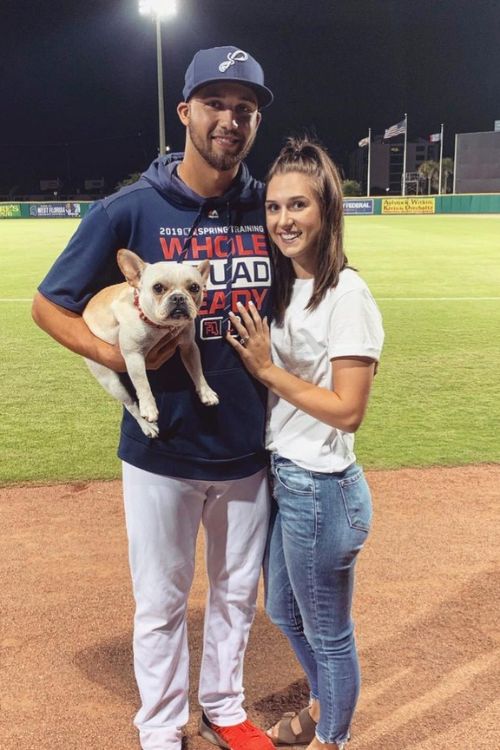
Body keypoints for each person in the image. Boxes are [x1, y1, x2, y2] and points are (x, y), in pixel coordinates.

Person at [32, 46, 276, 750]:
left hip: (248, 445)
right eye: (217, 104)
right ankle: (163, 727)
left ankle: (224, 707)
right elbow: (50, 305)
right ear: (186, 112)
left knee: (235, 595)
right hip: (159, 449)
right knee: (164, 601)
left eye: (246, 108)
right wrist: (111, 354)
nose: (231, 119)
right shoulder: (131, 208)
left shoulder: (269, 206)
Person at [226, 138, 384, 750]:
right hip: (288, 481)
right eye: (273, 207)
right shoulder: (286, 287)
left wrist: (269, 371)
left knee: (330, 634)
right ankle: (324, 708)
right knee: (283, 614)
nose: (284, 220)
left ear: (327, 210)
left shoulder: (348, 296)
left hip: (322, 490)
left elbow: (348, 411)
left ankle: (332, 738)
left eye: (298, 205)